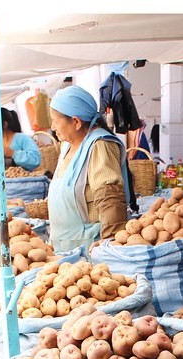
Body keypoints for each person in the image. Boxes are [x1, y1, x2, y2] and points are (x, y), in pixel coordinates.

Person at [46, 85, 132, 252]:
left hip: (90, 250)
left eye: (56, 120)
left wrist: (110, 242)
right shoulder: (66, 147)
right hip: (63, 249)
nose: (53, 126)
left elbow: (110, 198)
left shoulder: (99, 145)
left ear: (76, 122)